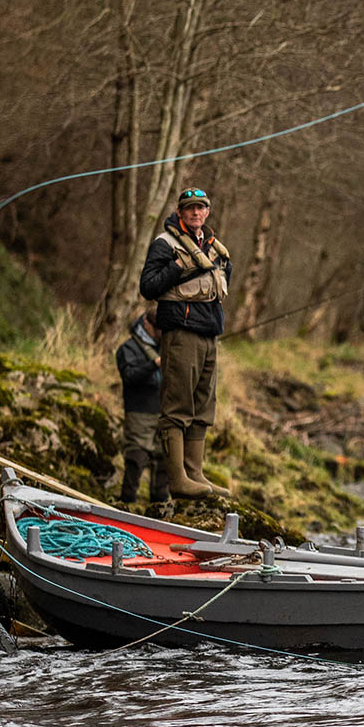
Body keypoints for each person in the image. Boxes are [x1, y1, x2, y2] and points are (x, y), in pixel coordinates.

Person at [139, 187, 232, 498]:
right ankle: (177, 480)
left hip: (209, 334)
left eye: (201, 208)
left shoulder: (213, 246)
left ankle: (196, 474)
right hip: (181, 333)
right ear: (180, 211)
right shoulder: (165, 244)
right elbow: (148, 287)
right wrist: (179, 267)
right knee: (177, 406)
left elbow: (222, 283)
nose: (195, 213)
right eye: (190, 208)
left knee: (204, 406)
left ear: (207, 212)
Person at [115, 307, 169, 503]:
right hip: (139, 412)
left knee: (165, 459)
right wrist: (153, 364)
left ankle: (159, 508)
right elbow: (129, 376)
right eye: (159, 329)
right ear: (147, 324)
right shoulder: (127, 349)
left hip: (163, 411)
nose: (163, 334)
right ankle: (126, 504)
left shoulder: (165, 345)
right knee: (136, 460)